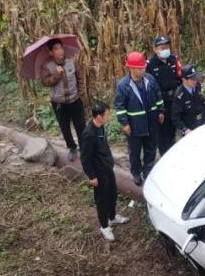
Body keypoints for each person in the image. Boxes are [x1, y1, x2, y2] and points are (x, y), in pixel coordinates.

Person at [80, 101, 129, 241]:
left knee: (112, 193)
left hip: (107, 168)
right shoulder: (89, 134)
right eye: (107, 114)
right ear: (99, 116)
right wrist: (92, 176)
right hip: (98, 172)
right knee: (101, 199)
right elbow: (85, 157)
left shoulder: (101, 126)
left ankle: (112, 217)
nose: (109, 116)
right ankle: (104, 226)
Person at [114, 51, 164, 186]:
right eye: (140, 68)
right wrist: (124, 123)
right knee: (135, 152)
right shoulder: (123, 86)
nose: (144, 69)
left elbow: (158, 95)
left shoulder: (150, 79)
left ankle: (148, 171)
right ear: (131, 68)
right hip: (134, 126)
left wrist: (161, 111)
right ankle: (136, 173)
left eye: (144, 67)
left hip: (151, 122)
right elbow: (120, 106)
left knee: (151, 148)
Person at [40, 38, 86, 162]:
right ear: (51, 52)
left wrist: (81, 94)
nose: (60, 51)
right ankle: (71, 148)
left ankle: (84, 149)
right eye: (56, 49)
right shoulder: (47, 66)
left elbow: (79, 77)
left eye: (61, 48)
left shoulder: (72, 61)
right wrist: (56, 74)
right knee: (65, 127)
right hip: (59, 103)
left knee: (80, 126)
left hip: (75, 100)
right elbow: (45, 82)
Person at [146, 35, 183, 156]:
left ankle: (174, 153)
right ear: (155, 49)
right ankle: (165, 156)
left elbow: (180, 77)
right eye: (162, 48)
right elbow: (149, 88)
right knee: (163, 133)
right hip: (161, 103)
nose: (165, 50)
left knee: (173, 129)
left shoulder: (173, 59)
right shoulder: (150, 65)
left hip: (175, 100)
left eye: (167, 47)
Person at [171, 64, 205, 135]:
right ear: (184, 80)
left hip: (202, 123)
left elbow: (201, 99)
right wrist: (184, 129)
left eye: (196, 77)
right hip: (190, 129)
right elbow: (175, 117)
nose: (195, 81)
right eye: (192, 79)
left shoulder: (197, 86)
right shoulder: (179, 95)